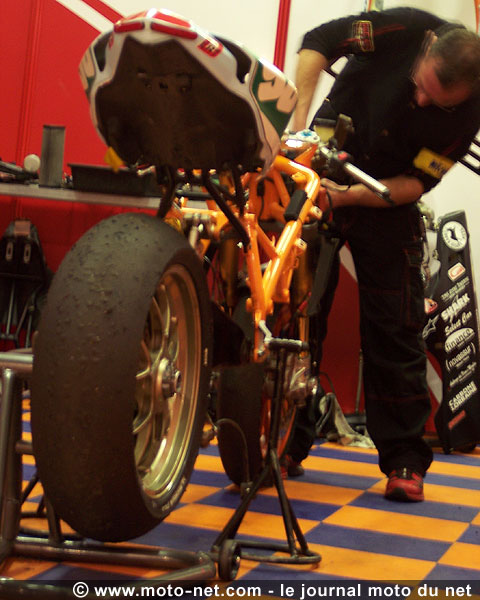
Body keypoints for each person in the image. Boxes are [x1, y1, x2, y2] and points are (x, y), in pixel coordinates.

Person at [286, 7, 480, 501]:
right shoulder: (403, 28)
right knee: (295, 315)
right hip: (322, 163)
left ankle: (404, 461)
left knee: (395, 328)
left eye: (436, 103)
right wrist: (298, 122)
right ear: (428, 44)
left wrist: (348, 197)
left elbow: (416, 182)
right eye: (421, 86)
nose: (420, 101)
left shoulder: (470, 112)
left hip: (383, 198)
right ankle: (282, 442)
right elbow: (319, 40)